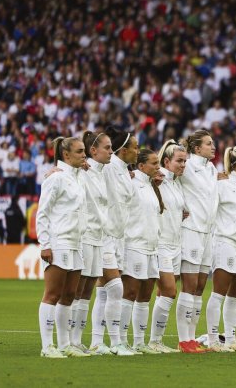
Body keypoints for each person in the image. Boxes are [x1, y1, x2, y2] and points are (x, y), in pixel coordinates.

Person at [36, 136, 88, 358]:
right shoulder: (55, 178)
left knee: (69, 295)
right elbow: (43, 212)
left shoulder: (78, 177)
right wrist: (45, 243)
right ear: (66, 155)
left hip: (77, 243)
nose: (84, 155)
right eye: (80, 152)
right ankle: (47, 346)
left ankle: (65, 344)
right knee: (53, 294)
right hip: (60, 242)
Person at [90, 125, 139, 356]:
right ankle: (117, 342)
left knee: (103, 292)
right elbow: (89, 165)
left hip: (120, 238)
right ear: (123, 150)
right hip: (105, 236)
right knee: (116, 288)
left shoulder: (125, 171)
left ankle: (98, 342)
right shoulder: (108, 168)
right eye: (135, 147)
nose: (138, 151)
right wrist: (58, 170)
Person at [205, 144, 236, 352]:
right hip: (226, 242)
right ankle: (212, 340)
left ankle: (231, 339)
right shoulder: (222, 185)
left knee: (235, 295)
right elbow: (211, 212)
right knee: (219, 293)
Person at [69, 131, 113, 355]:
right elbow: (65, 173)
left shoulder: (103, 173)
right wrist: (54, 170)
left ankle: (78, 341)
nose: (111, 152)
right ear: (93, 151)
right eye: (107, 148)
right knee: (77, 290)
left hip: (100, 238)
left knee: (87, 291)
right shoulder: (83, 171)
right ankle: (70, 340)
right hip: (85, 237)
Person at [177, 130, 219, 349]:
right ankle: (184, 340)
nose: (213, 147)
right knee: (189, 286)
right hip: (191, 230)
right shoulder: (187, 165)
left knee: (200, 287)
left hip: (208, 233)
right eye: (208, 144)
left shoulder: (211, 168)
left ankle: (192, 337)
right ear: (196, 148)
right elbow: (167, 171)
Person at [120, 149, 164, 354]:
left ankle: (139, 342)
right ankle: (121, 340)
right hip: (134, 245)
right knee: (129, 293)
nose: (158, 166)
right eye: (154, 163)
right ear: (141, 166)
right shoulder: (130, 183)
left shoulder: (151, 185)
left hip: (151, 247)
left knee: (145, 295)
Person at [151, 140, 187, 353]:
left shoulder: (176, 182)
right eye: (179, 161)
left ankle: (156, 341)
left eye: (185, 161)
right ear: (166, 161)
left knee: (164, 294)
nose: (183, 165)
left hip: (176, 244)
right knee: (169, 291)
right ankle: (154, 340)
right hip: (161, 243)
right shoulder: (158, 179)